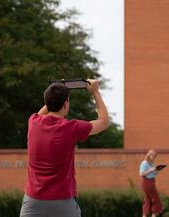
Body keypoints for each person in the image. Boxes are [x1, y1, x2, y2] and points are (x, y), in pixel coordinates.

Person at [20, 79, 110, 217]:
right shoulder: (71, 128)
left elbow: (44, 111)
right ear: (66, 104)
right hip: (62, 201)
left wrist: (56, 90)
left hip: (33, 201)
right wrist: (95, 92)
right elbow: (104, 122)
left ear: (47, 102)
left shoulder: (33, 121)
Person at [139, 149, 163, 217]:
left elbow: (154, 173)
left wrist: (156, 171)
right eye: (154, 156)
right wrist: (150, 170)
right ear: (150, 155)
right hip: (147, 182)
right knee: (155, 199)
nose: (154, 158)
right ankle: (154, 215)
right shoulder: (144, 163)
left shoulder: (152, 163)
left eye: (155, 157)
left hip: (152, 181)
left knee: (147, 200)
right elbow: (141, 174)